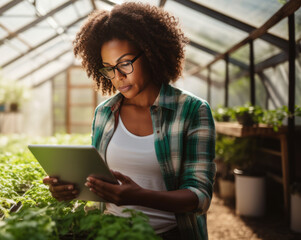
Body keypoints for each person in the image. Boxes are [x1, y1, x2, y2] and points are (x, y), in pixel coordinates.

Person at [43, 2, 216, 239]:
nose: (119, 76)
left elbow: (200, 196)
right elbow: (97, 179)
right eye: (109, 68)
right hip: (110, 232)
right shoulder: (105, 112)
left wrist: (138, 196)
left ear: (152, 53)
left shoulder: (192, 111)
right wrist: (70, 189)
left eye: (125, 63)